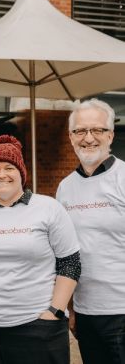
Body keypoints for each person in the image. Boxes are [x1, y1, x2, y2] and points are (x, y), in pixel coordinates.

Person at [0, 135, 81, 364]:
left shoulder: (49, 208)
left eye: (9, 167)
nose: (1, 174)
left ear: (21, 172)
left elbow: (70, 263)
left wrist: (54, 311)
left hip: (38, 327)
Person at [56, 99, 125, 364]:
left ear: (110, 134)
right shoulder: (65, 187)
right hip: (85, 312)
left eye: (96, 130)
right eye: (80, 131)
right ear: (71, 137)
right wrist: (71, 308)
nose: (88, 138)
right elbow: (66, 252)